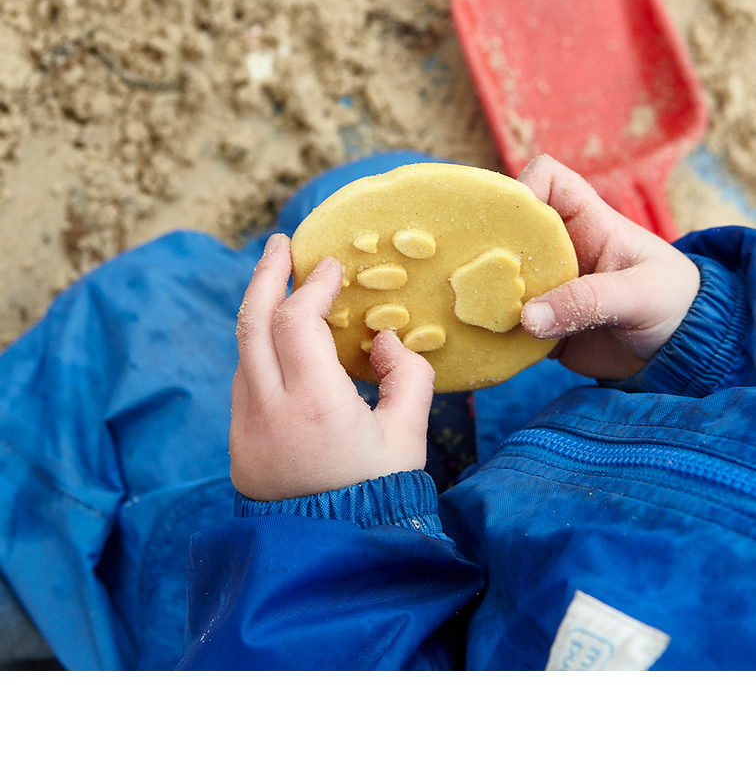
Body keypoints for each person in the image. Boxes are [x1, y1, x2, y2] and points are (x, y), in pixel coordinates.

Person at [2, 151, 756, 670]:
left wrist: (323, 526)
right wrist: (705, 336)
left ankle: (34, 580)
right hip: (586, 446)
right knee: (363, 194)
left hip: (339, 613)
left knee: (127, 330)